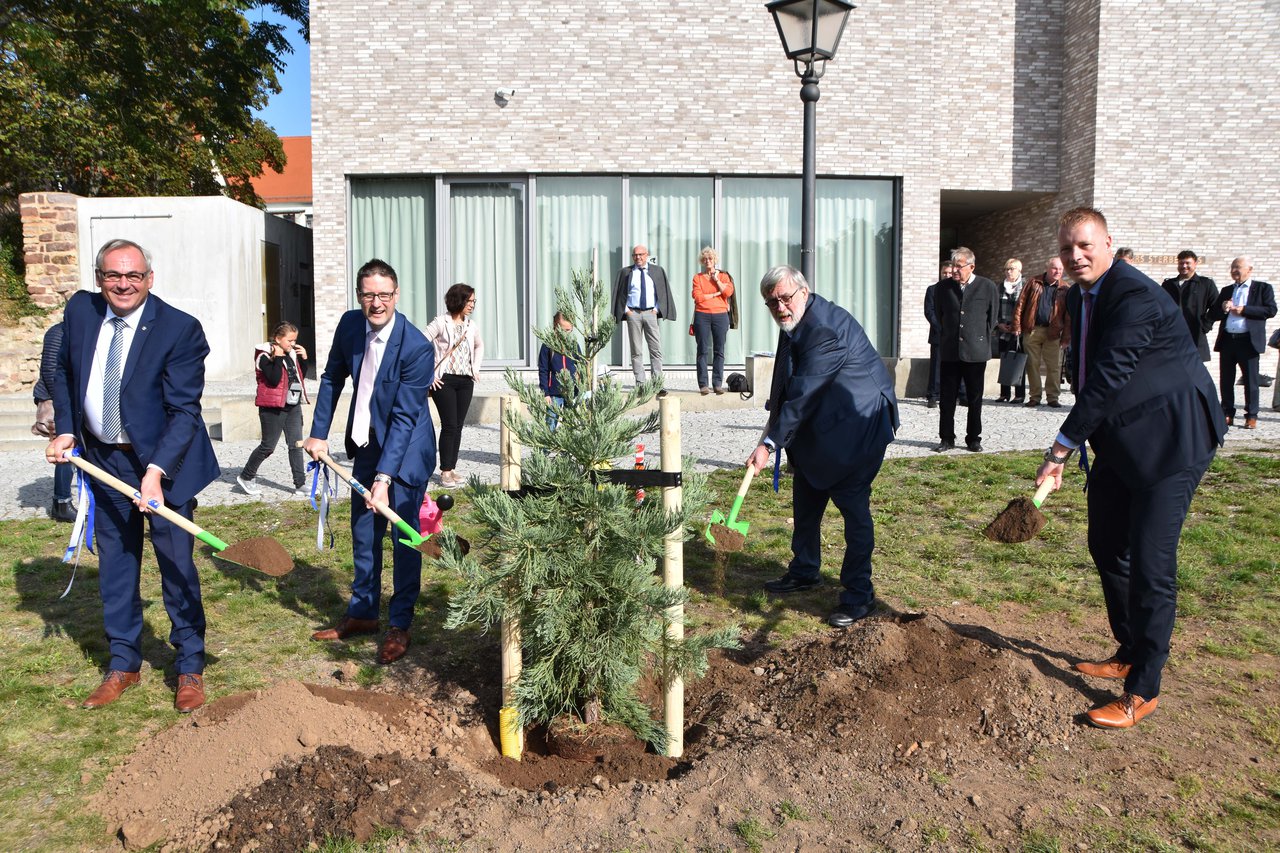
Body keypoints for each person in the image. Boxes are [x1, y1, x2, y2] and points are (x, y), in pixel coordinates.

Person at [1036, 207, 1225, 729]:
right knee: (1106, 544)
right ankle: (1130, 646)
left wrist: (1060, 449)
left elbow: (1110, 374)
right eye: (1068, 247)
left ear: (1108, 243)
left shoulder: (1135, 295)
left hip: (1173, 440)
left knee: (1150, 562)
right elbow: (1090, 372)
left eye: (1086, 246)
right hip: (1123, 438)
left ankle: (1143, 688)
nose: (1076, 257)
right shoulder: (1079, 294)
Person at [45, 239, 220, 712]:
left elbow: (184, 412)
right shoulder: (81, 312)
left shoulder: (180, 330)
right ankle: (123, 663)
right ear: (99, 277)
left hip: (165, 465)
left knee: (176, 566)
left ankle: (189, 666)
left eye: (134, 276)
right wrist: (66, 429)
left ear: (150, 278)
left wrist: (155, 473)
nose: (123, 284)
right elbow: (63, 372)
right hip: (103, 462)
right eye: (113, 275)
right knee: (117, 567)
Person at [747, 265, 898, 628]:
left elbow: (803, 395)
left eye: (785, 297)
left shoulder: (823, 330)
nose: (780, 307)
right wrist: (769, 429)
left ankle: (860, 594)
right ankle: (804, 570)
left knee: (852, 506)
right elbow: (786, 385)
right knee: (807, 491)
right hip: (824, 419)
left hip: (859, 425)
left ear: (804, 290)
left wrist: (769, 444)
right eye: (772, 303)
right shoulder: (794, 321)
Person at [303, 259, 437, 665]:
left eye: (384, 295)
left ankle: (399, 623)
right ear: (359, 295)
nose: (376, 303)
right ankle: (362, 613)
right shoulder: (349, 325)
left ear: (396, 296)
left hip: (406, 450)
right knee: (364, 531)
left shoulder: (416, 347)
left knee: (404, 536)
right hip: (366, 444)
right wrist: (319, 432)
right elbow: (330, 378)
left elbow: (403, 417)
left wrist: (384, 478)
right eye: (368, 295)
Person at [934, 247, 997, 452]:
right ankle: (946, 438)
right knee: (947, 397)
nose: (954, 271)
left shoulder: (987, 286)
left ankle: (973, 438)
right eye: (953, 266)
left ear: (972, 267)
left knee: (974, 397)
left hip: (976, 351)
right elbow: (937, 313)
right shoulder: (943, 288)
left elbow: (992, 317)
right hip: (951, 350)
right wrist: (946, 334)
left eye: (959, 267)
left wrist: (978, 337)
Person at [236, 321, 309, 497]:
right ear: (277, 339)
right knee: (268, 446)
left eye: (295, 340)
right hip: (273, 408)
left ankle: (300, 484)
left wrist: (304, 358)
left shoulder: (290, 354)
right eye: (290, 340)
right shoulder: (264, 356)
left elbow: (300, 376)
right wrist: (277, 357)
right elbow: (274, 379)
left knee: (296, 445)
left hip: (293, 405)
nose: (293, 344)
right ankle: (246, 476)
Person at [425, 283, 483, 488]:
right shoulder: (441, 322)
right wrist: (429, 374)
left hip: (466, 380)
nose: (473, 305)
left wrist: (475, 368)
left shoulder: (471, 325)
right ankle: (445, 472)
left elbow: (479, 345)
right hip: (444, 380)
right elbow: (421, 343)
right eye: (470, 301)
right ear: (459, 300)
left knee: (458, 426)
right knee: (449, 425)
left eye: (474, 301)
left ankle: (452, 467)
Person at [1209, 257, 1276, 429]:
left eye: (1238, 268)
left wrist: (1245, 310)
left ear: (1249, 269)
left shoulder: (1262, 288)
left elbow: (1270, 310)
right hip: (1228, 340)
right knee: (1226, 380)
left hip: (1248, 341)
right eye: (1232, 268)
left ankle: (1251, 416)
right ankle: (1227, 413)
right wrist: (1222, 307)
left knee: (1251, 381)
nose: (1234, 271)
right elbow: (1213, 314)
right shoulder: (1226, 290)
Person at [611, 245, 675, 391]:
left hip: (650, 314)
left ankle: (657, 384)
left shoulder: (657, 271)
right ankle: (640, 384)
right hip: (633, 314)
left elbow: (662, 291)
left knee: (655, 349)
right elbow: (620, 294)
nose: (638, 257)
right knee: (636, 350)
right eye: (635, 255)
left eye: (641, 254)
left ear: (647, 255)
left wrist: (656, 309)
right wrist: (627, 311)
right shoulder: (626, 272)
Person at [1013, 257, 1070, 408]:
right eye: (1054, 268)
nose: (1058, 272)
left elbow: (1068, 316)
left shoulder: (1065, 288)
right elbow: (1020, 304)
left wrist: (1066, 338)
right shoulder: (1033, 282)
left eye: (1060, 269)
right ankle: (1035, 396)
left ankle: (1053, 397)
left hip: (1054, 332)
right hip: (1032, 330)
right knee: (1032, 365)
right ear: (1047, 268)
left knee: (1054, 366)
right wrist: (1017, 326)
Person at [33, 322, 75, 522]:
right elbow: (51, 371)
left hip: (72, 402)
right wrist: (64, 405)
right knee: (65, 454)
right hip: (61, 404)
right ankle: (62, 503)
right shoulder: (59, 331)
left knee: (73, 454)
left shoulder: (78, 330)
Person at [691, 246, 735, 395]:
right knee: (702, 350)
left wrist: (716, 281)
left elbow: (728, 292)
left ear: (715, 260)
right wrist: (717, 294)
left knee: (719, 350)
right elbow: (698, 298)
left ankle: (717, 384)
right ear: (702, 261)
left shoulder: (723, 276)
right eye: (705, 259)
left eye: (710, 258)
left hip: (720, 315)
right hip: (702, 315)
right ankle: (703, 384)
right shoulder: (697, 278)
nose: (708, 261)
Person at [1160, 250, 1218, 362]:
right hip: (1172, 335)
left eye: (1187, 263)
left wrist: (1205, 325)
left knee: (1195, 373)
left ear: (1195, 263)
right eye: (1181, 263)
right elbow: (1160, 307)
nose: (1184, 266)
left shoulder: (1205, 284)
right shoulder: (1168, 285)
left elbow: (1216, 307)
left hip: (1195, 335)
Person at [538, 311, 579, 430]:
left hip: (571, 392)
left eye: (569, 330)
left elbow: (580, 366)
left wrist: (579, 387)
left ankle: (567, 447)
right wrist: (545, 393)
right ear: (555, 328)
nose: (566, 333)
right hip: (553, 393)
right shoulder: (547, 346)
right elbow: (543, 370)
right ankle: (546, 448)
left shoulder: (574, 345)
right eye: (563, 330)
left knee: (570, 424)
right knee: (550, 423)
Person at [994, 258, 1026, 403]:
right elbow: (993, 308)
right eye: (1006, 269)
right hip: (1003, 330)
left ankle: (1019, 394)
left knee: (1019, 361)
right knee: (1005, 360)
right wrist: (998, 324)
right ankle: (1004, 393)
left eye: (1011, 269)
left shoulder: (1026, 286)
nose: (1008, 272)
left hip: (1019, 331)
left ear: (1019, 270)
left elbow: (1029, 309)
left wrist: (1018, 326)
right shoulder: (999, 287)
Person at [923, 261, 952, 408]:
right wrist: (940, 327)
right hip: (938, 334)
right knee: (936, 366)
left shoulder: (958, 289)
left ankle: (958, 394)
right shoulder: (932, 290)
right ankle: (933, 396)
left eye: (949, 273)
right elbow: (929, 312)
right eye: (944, 273)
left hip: (955, 335)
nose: (947, 275)